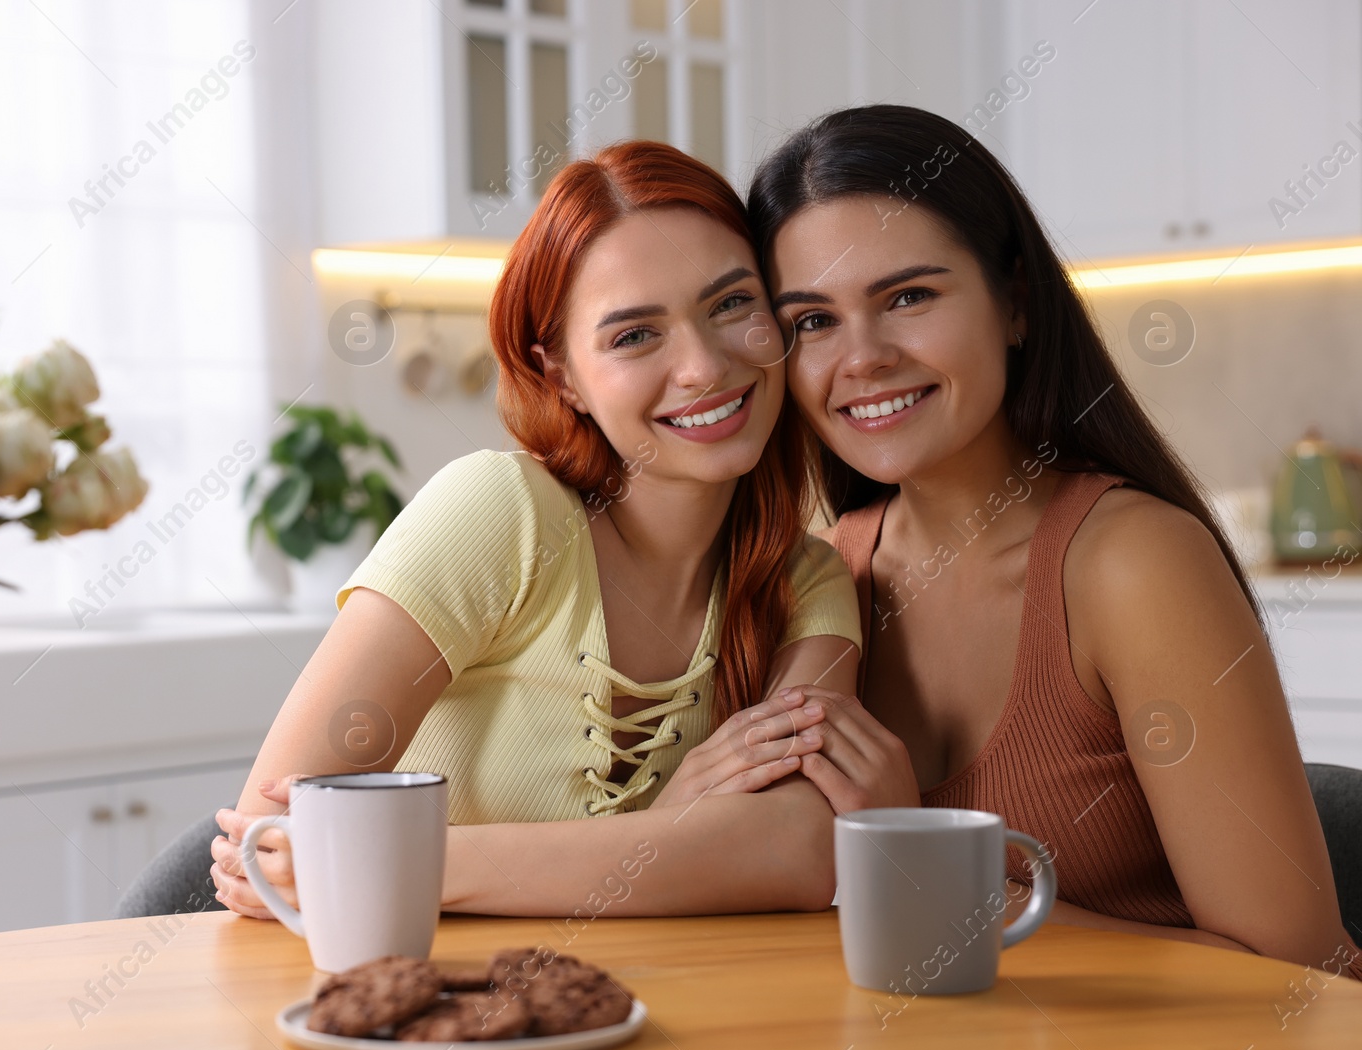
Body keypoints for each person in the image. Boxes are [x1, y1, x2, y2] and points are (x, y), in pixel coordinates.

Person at [211, 142, 905, 919]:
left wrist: (395, 858)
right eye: (635, 335)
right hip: (413, 1020)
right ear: (562, 376)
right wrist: (681, 831)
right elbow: (269, 850)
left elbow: (795, 851)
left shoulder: (807, 579)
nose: (704, 366)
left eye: (731, 304)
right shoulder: (499, 513)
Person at [748, 104, 1362, 979]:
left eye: (908, 296)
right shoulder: (822, 576)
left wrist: (927, 862)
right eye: (811, 321)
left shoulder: (1131, 565)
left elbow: (1300, 971)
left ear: (1016, 307)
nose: (864, 356)